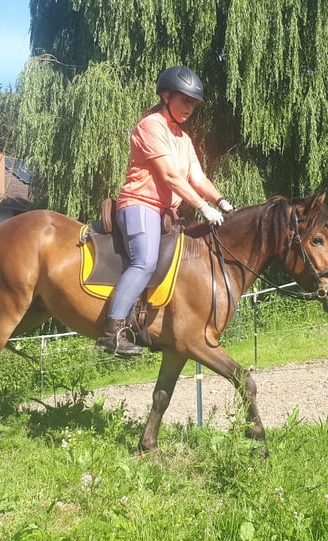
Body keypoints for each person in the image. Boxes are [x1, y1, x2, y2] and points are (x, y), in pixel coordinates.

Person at [95, 65, 236, 357]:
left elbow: (197, 178)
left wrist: (222, 201)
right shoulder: (151, 126)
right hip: (139, 205)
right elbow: (171, 177)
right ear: (166, 95)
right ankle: (112, 331)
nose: (189, 108)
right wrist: (202, 206)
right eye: (185, 100)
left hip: (164, 213)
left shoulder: (183, 139)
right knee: (144, 261)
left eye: (193, 104)